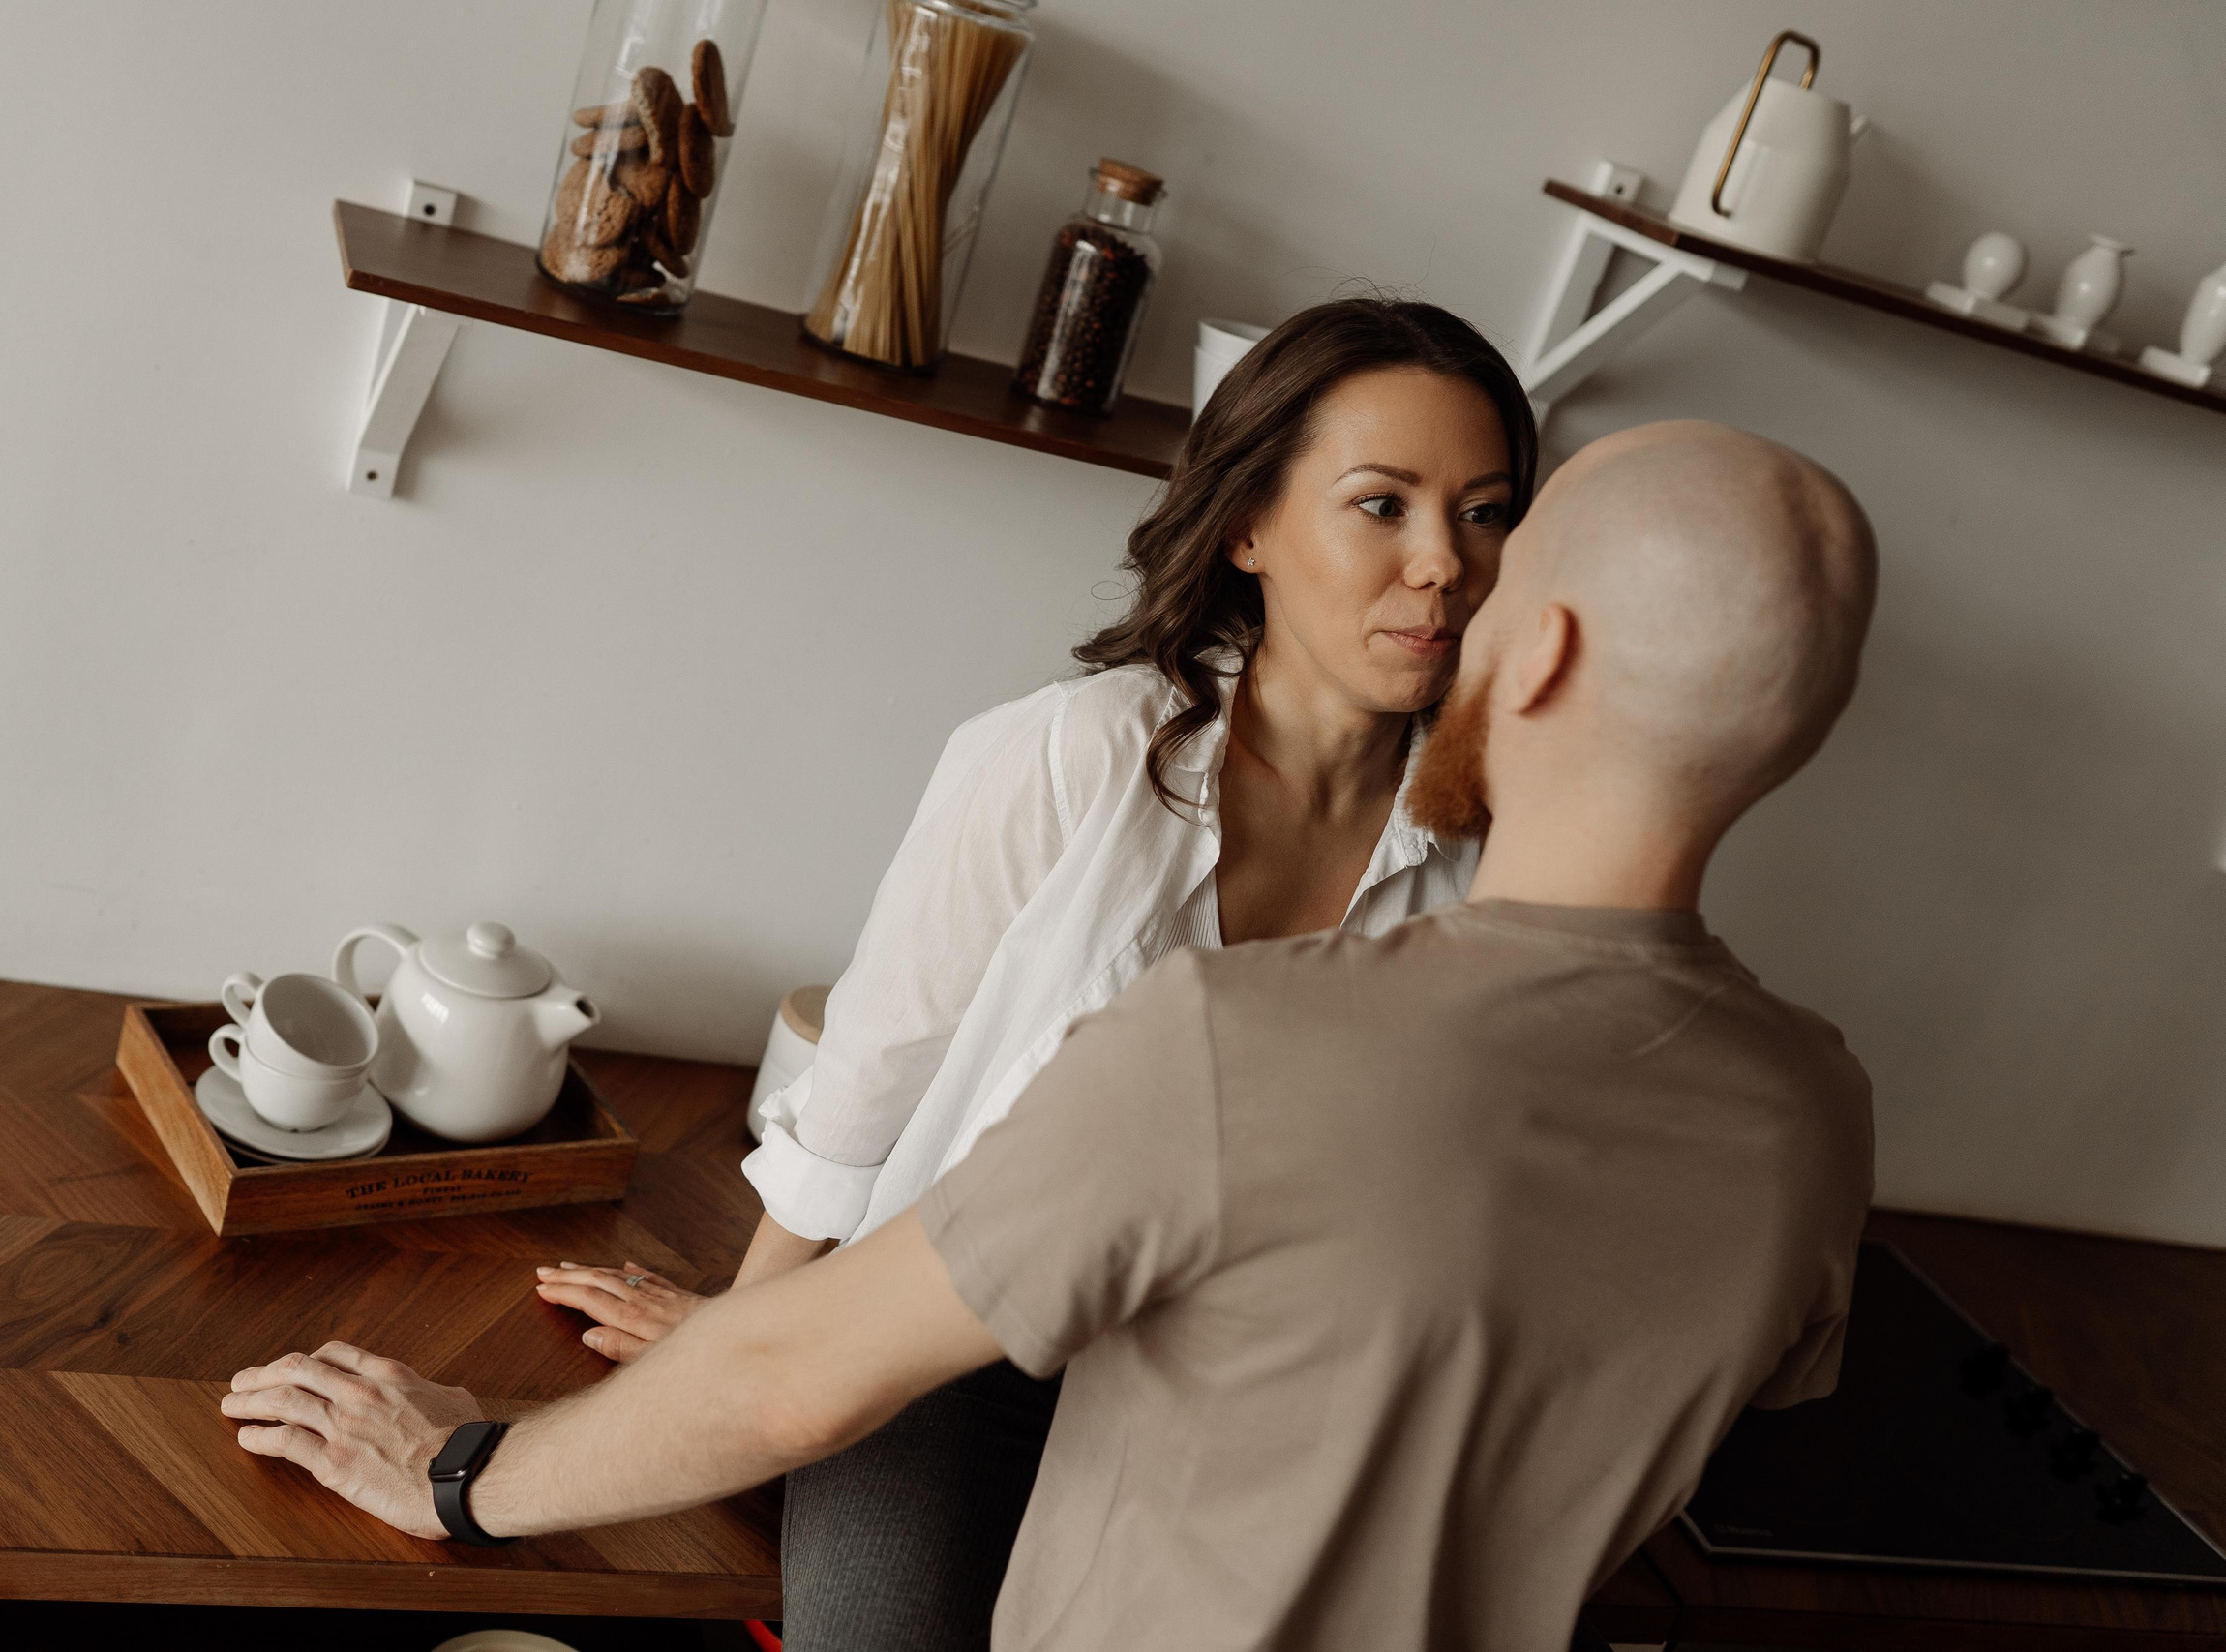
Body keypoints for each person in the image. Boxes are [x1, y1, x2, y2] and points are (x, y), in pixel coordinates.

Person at [225, 418, 1880, 1652]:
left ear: (1549, 649)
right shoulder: (1820, 1123)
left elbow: (802, 1389)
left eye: (1499, 548)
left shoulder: (1242, 1042)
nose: (1450, 581)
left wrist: (459, 1471)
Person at [528, 297, 1540, 1648]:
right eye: (1383, 506)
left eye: (1484, 513)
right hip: (948, 1353)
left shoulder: (1495, 851)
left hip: (1243, 1402)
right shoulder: (1071, 757)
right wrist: (738, 1358)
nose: (1444, 567)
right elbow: (864, 1094)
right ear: (1250, 528)